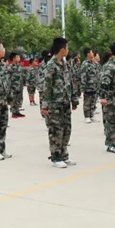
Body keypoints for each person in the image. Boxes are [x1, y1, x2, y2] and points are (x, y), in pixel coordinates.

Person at [42, 38, 77, 168]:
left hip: (65, 102)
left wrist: (73, 99)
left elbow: (69, 83)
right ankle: (56, 157)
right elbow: (47, 86)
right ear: (62, 49)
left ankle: (64, 154)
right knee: (56, 131)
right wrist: (45, 105)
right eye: (67, 48)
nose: (68, 50)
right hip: (54, 104)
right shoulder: (51, 65)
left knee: (67, 129)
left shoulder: (65, 64)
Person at [80, 48, 100, 123]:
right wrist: (82, 86)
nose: (92, 53)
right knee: (87, 102)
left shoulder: (94, 63)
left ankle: (91, 115)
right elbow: (83, 76)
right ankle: (87, 116)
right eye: (91, 52)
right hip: (88, 86)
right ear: (88, 54)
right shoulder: (85, 64)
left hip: (94, 86)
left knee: (93, 101)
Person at [6, 52, 25, 118]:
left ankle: (17, 111)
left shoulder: (19, 66)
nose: (19, 58)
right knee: (13, 99)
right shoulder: (10, 67)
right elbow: (8, 78)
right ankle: (13, 112)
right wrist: (8, 88)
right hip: (13, 86)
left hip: (19, 85)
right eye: (17, 57)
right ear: (13, 58)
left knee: (18, 99)